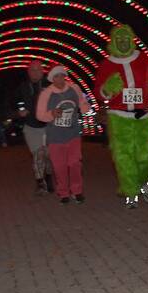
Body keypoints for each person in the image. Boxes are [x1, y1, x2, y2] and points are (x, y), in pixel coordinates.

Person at [93, 24, 148, 208]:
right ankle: (130, 192)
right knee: (124, 157)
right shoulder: (106, 64)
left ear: (132, 40)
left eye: (126, 38)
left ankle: (142, 182)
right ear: (113, 42)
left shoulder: (143, 59)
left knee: (147, 155)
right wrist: (107, 89)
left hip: (143, 116)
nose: (123, 42)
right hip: (119, 117)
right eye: (119, 39)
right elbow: (99, 93)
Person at [36, 65, 90, 205]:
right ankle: (64, 193)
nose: (59, 79)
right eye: (56, 76)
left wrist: (84, 108)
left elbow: (83, 103)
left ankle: (77, 192)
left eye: (61, 76)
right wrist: (52, 114)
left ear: (65, 77)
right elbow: (39, 115)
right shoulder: (46, 93)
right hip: (55, 136)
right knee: (59, 166)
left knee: (74, 164)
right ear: (52, 79)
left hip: (72, 133)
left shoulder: (74, 88)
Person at [16, 60, 54, 194]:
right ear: (28, 72)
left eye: (38, 69)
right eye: (32, 69)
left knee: (48, 156)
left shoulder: (49, 85)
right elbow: (16, 101)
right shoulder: (23, 86)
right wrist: (20, 110)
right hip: (31, 127)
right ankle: (40, 183)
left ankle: (48, 178)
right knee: (38, 155)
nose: (35, 72)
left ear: (42, 71)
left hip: (48, 127)